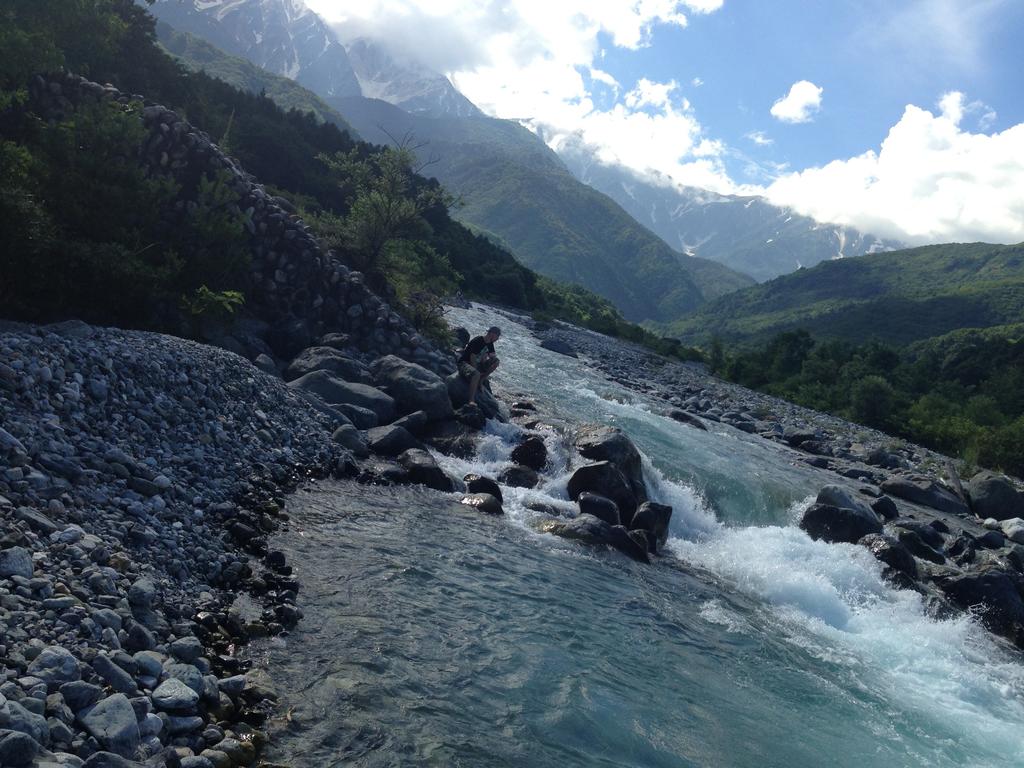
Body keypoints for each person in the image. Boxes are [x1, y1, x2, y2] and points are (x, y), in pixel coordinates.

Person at [458, 326, 501, 405]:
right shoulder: (478, 340)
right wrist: (476, 370)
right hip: (465, 363)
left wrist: (489, 359)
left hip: (478, 364)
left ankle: (481, 380)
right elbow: (472, 356)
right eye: (497, 336)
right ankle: (471, 400)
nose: (497, 339)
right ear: (492, 334)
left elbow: (492, 356)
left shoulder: (490, 344)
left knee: (496, 361)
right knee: (476, 374)